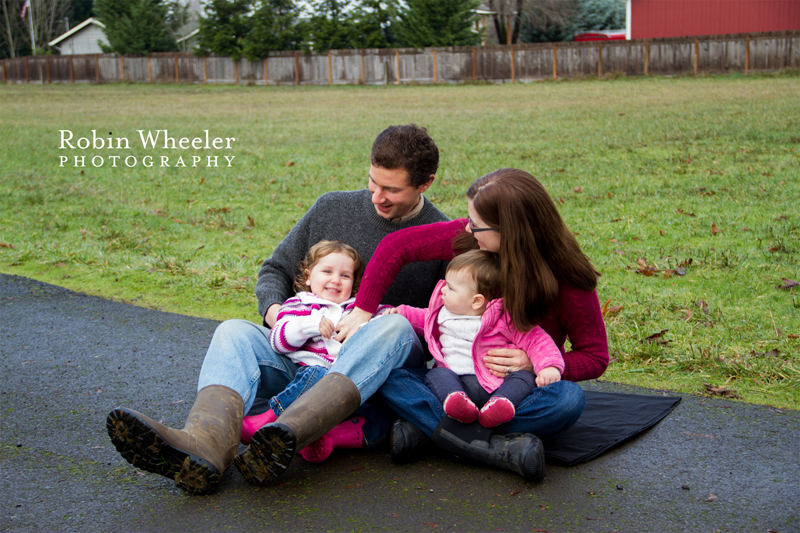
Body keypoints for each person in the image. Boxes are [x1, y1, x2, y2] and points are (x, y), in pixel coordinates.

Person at [106, 124, 450, 495]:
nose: (377, 197)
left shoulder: (442, 234)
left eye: (392, 190)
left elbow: (450, 322)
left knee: (395, 327)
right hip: (304, 355)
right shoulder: (331, 208)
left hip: (372, 376)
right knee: (233, 331)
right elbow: (276, 269)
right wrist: (276, 316)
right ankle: (205, 445)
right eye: (372, 182)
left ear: (425, 184)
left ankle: (288, 435)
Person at [337, 168, 609, 482]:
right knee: (388, 376)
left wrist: (535, 364)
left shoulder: (567, 278)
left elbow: (595, 357)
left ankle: (432, 431)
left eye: (476, 225)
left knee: (568, 400)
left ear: (510, 230)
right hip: (454, 385)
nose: (468, 228)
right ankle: (496, 448)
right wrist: (362, 310)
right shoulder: (471, 242)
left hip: (515, 392)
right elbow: (396, 246)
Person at [240, 240, 390, 464]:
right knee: (318, 376)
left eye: (345, 276)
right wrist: (310, 325)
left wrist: (390, 315)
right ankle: (269, 419)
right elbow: (279, 340)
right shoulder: (299, 305)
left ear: (354, 284)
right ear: (309, 276)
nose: (335, 280)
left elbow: (381, 320)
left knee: (383, 417)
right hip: (312, 380)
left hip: (352, 387)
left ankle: (327, 439)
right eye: (327, 271)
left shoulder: (358, 307)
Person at [385, 249, 565, 429]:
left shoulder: (505, 319)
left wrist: (548, 366)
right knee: (436, 374)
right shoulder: (441, 314)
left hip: (498, 385)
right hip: (456, 381)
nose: (442, 290)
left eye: (450, 287)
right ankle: (456, 402)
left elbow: (537, 339)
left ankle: (500, 406)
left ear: (476, 301)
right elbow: (421, 317)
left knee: (525, 377)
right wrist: (401, 313)